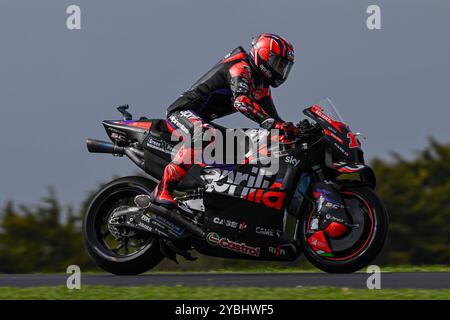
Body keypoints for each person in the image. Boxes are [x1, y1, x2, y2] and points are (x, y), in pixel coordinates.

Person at [134, 33, 298, 209]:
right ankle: (163, 189)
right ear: (264, 55)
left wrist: (290, 131)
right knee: (205, 134)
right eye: (277, 63)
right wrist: (272, 124)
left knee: (240, 144)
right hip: (182, 112)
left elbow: (274, 120)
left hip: (202, 120)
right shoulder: (240, 68)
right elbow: (241, 102)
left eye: (284, 66)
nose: (280, 70)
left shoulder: (261, 86)